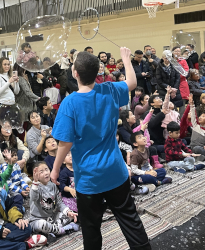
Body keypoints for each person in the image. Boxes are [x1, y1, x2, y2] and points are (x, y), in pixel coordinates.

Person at [50, 48, 151, 249]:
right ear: (97, 72)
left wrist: (55, 169)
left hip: (89, 179)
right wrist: (125, 58)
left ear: (75, 73)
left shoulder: (69, 102)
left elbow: (65, 143)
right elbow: (132, 82)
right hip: (115, 171)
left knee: (91, 230)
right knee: (130, 220)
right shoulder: (109, 89)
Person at [0, 57, 20, 129]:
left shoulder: (9, 75)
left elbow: (16, 92)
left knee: (11, 127)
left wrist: (16, 83)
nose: (7, 66)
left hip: (10, 105)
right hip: (0, 105)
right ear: (0, 65)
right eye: (5, 64)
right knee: (2, 128)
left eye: (8, 64)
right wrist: (9, 82)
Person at [188, 93, 205, 161]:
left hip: (201, 148)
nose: (200, 117)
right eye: (200, 116)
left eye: (203, 116)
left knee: (197, 149)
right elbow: (193, 116)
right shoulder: (195, 126)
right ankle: (197, 156)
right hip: (192, 147)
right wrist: (191, 105)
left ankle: (203, 156)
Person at [171, 47, 190, 116]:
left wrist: (176, 75)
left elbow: (185, 72)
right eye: (176, 51)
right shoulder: (170, 61)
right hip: (172, 84)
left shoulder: (183, 61)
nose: (178, 53)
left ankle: (182, 121)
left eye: (179, 51)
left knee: (182, 104)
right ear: (172, 52)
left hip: (182, 84)